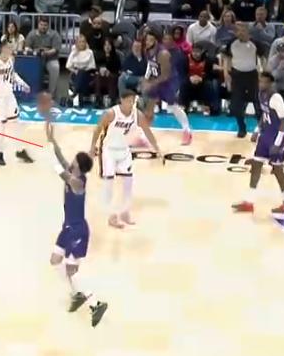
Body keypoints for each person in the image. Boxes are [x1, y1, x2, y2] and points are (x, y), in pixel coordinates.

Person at [44, 119, 106, 327]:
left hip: (78, 231)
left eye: (75, 161)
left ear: (79, 166)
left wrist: (49, 156)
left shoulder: (77, 182)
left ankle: (95, 302)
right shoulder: (73, 172)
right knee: (55, 261)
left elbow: (60, 171)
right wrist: (51, 140)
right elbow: (61, 159)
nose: (71, 161)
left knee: (72, 271)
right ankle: (77, 293)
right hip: (67, 228)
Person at [89, 90, 160, 229]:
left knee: (128, 183)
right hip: (109, 151)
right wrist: (92, 147)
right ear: (121, 100)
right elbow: (97, 129)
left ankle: (125, 212)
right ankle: (112, 216)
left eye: (133, 101)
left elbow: (147, 131)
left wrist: (157, 147)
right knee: (109, 184)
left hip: (124, 151)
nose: (131, 103)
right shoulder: (111, 113)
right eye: (128, 101)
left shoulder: (137, 114)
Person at [232, 71, 284, 214]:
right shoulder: (260, 94)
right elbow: (265, 115)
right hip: (265, 136)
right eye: (260, 81)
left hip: (276, 137)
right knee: (256, 166)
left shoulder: (276, 98)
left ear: (271, 84)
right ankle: (249, 202)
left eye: (265, 82)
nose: (261, 84)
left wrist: (277, 143)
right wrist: (257, 130)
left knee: (277, 171)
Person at [142, 29, 193, 145]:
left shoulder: (163, 54)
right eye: (146, 40)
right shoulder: (147, 50)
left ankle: (187, 131)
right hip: (156, 79)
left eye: (150, 40)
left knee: (173, 107)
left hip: (169, 82)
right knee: (149, 108)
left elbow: (165, 75)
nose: (147, 42)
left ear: (156, 41)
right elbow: (150, 66)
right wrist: (146, 79)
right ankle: (145, 136)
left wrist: (151, 83)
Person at [222, 22, 263, 137]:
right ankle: (241, 128)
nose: (240, 33)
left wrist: (262, 75)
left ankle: (261, 128)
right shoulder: (231, 43)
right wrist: (226, 74)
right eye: (238, 31)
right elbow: (226, 58)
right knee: (236, 106)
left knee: (258, 105)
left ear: (248, 32)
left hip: (252, 76)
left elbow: (263, 58)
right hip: (237, 76)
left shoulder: (256, 43)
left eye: (243, 30)